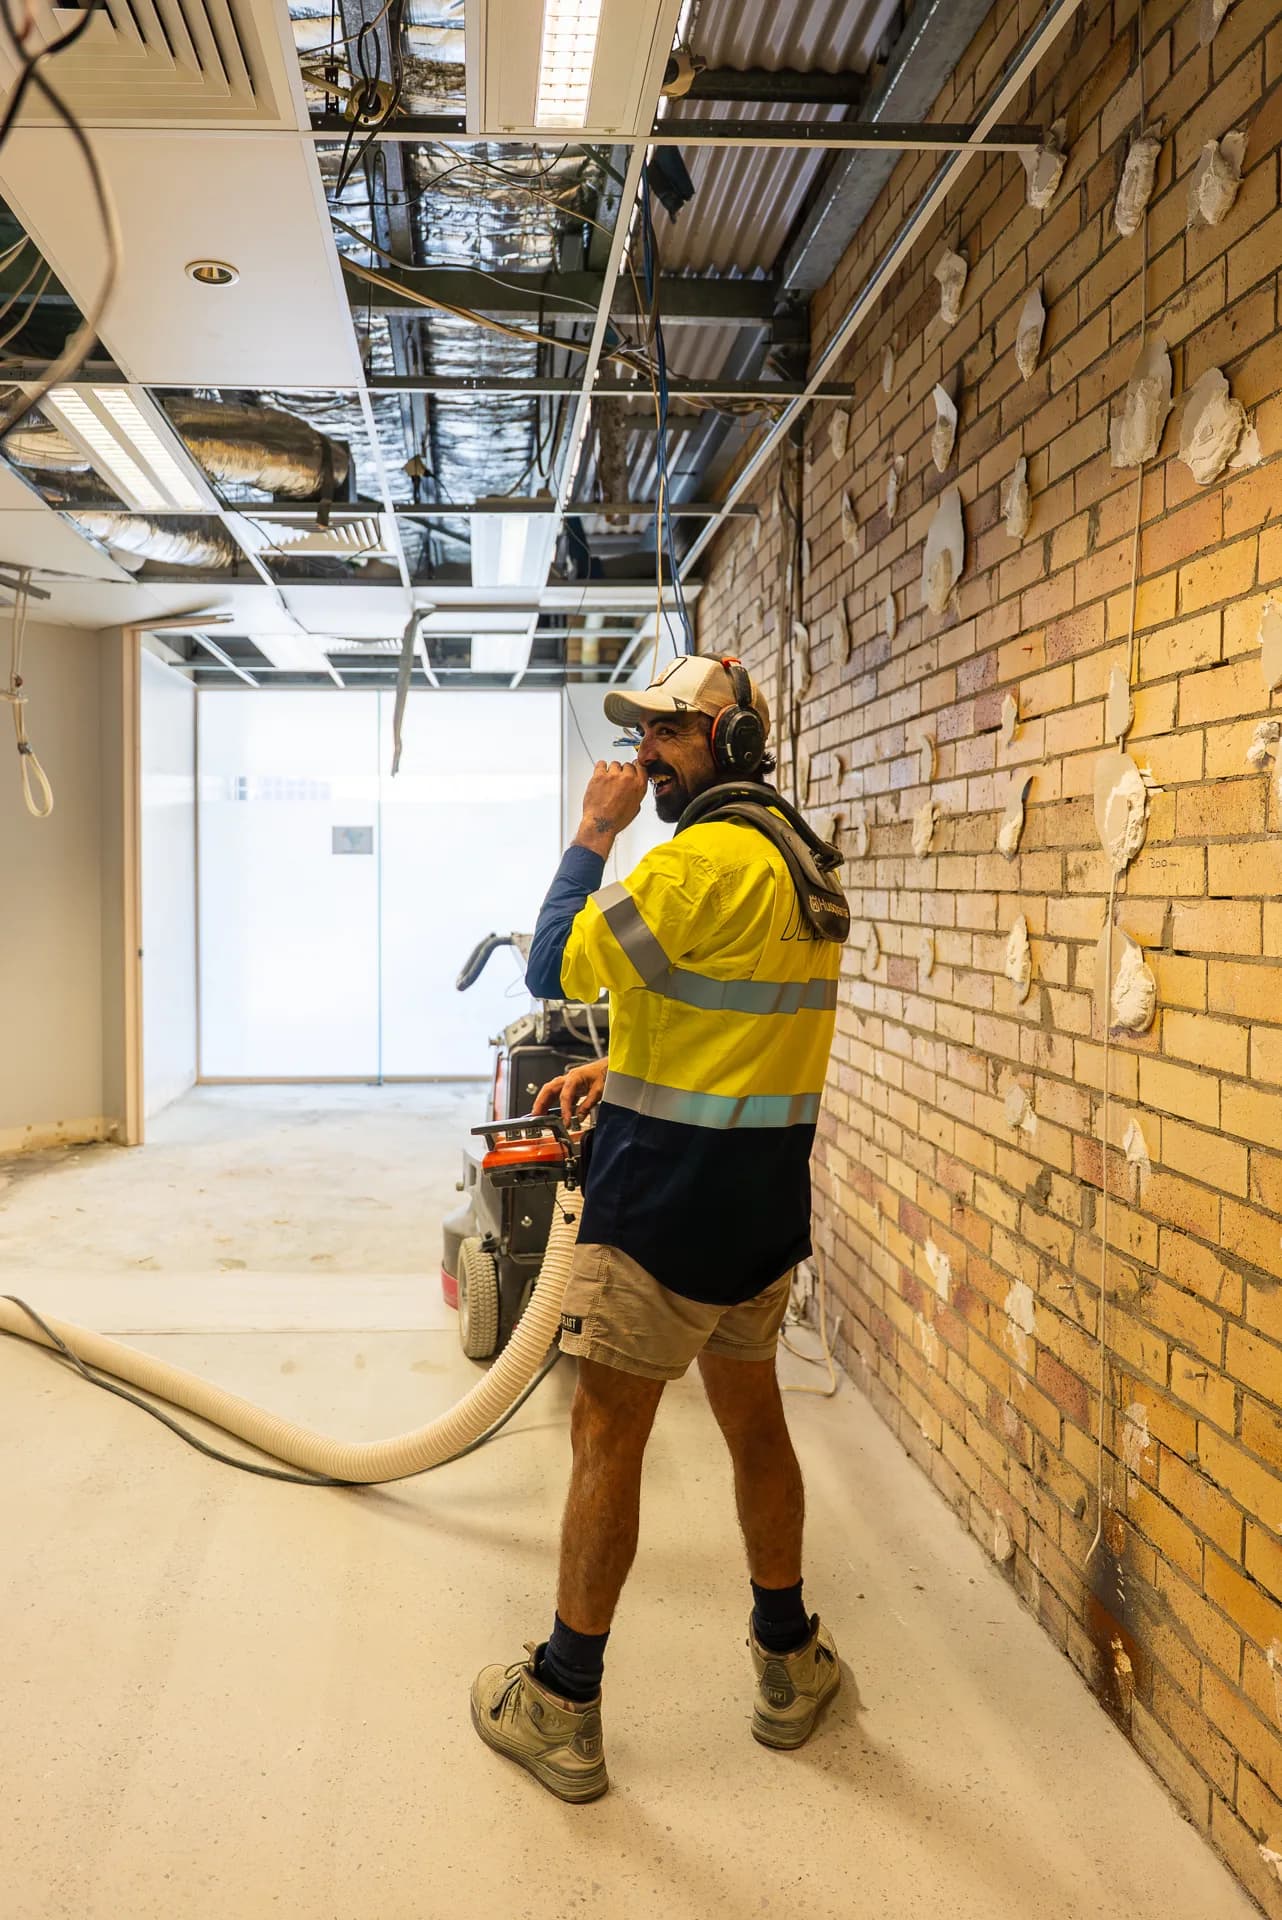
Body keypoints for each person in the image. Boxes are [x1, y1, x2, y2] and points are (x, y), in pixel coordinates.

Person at [470, 654, 844, 1803]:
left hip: (662, 1213)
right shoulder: (802, 858)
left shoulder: (693, 864)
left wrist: (593, 831)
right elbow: (734, 1015)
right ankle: (790, 1664)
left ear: (729, 739)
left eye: (669, 734)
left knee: (605, 1441)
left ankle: (563, 1701)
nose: (644, 757)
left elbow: (551, 967)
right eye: (641, 738)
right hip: (760, 1209)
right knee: (753, 1421)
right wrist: (625, 1067)